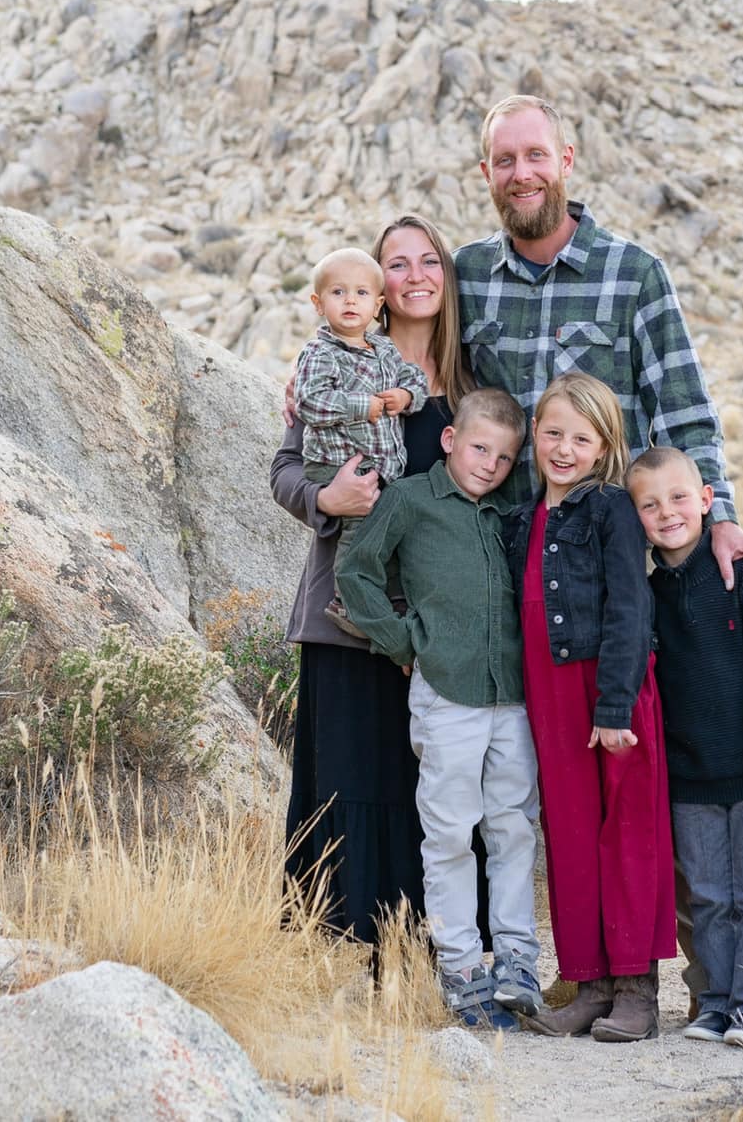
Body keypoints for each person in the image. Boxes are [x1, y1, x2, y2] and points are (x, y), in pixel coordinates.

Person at [455, 94, 743, 598]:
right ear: (486, 172)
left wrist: (720, 519)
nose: (522, 173)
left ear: (565, 159)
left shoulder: (634, 275)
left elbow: (683, 413)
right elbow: (412, 362)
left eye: (536, 155)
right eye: (505, 160)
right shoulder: (465, 276)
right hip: (491, 561)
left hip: (601, 570)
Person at [271, 215, 478, 949]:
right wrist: (325, 501)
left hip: (437, 626)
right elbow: (286, 469)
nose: (415, 276)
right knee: (350, 778)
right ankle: (339, 953)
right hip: (344, 617)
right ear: (371, 283)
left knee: (433, 789)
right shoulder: (334, 366)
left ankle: (432, 954)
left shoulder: (471, 383)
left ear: (447, 277)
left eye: (430, 262)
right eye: (398, 263)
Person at [335, 388, 544, 1031]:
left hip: (512, 696)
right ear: (451, 441)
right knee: (451, 831)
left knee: (513, 828)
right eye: (480, 448)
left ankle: (516, 960)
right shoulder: (409, 500)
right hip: (446, 692)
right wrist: (403, 643)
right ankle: (460, 968)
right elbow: (355, 571)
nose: (490, 465)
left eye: (506, 458)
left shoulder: (508, 510)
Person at [506, 372, 677, 1041]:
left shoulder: (610, 511)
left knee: (626, 833)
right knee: (571, 836)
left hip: (612, 691)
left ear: (605, 445)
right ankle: (589, 982)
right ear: (534, 438)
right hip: (548, 694)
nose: (564, 448)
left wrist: (613, 706)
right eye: (552, 433)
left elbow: (630, 610)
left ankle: (637, 989)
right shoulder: (523, 517)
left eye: (582, 437)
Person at [627, 445, 743, 1049]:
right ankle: (718, 1003)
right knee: (708, 897)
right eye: (649, 505)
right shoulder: (649, 593)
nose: (667, 513)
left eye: (678, 498)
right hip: (690, 776)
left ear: (706, 500)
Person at [289, 246, 428, 634]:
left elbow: (415, 379)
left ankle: (381, 598)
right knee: (360, 527)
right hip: (337, 463)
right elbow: (310, 403)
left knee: (385, 526)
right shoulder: (320, 352)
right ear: (318, 303)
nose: (350, 300)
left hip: (379, 464)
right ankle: (346, 601)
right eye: (338, 292)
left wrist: (405, 397)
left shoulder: (384, 350)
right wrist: (359, 406)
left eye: (362, 294)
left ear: (378, 304)